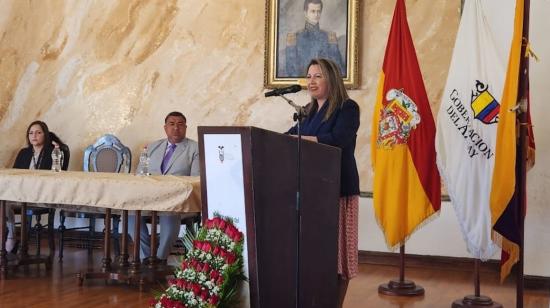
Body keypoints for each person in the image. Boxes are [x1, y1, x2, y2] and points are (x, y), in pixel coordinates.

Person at [286, 58, 359, 307]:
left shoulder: (347, 108)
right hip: (312, 191)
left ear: (331, 79)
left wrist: (305, 139)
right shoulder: (307, 112)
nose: (311, 81)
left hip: (337, 189)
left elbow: (338, 138)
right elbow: (289, 137)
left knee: (339, 258)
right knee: (316, 255)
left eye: (318, 76)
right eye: (308, 76)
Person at [128, 111, 200, 262]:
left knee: (169, 215)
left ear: (186, 128)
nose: (176, 128)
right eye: (172, 124)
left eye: (180, 125)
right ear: (165, 127)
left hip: (176, 200)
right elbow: (140, 174)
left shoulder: (195, 148)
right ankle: (145, 258)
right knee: (132, 215)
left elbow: (195, 179)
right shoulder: (153, 146)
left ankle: (160, 259)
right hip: (148, 198)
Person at [6, 121, 69, 253]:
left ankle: (11, 239)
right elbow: (14, 175)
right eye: (31, 133)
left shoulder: (53, 152)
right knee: (2, 203)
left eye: (38, 132)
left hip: (42, 195)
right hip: (20, 194)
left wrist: (58, 151)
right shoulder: (24, 152)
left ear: (45, 135)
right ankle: (10, 236)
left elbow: (58, 176)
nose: (34, 135)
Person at [285, 0, 346, 77]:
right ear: (305, 13)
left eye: (318, 11)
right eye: (313, 11)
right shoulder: (294, 38)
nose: (316, 15)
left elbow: (338, 68)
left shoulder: (329, 37)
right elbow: (291, 71)